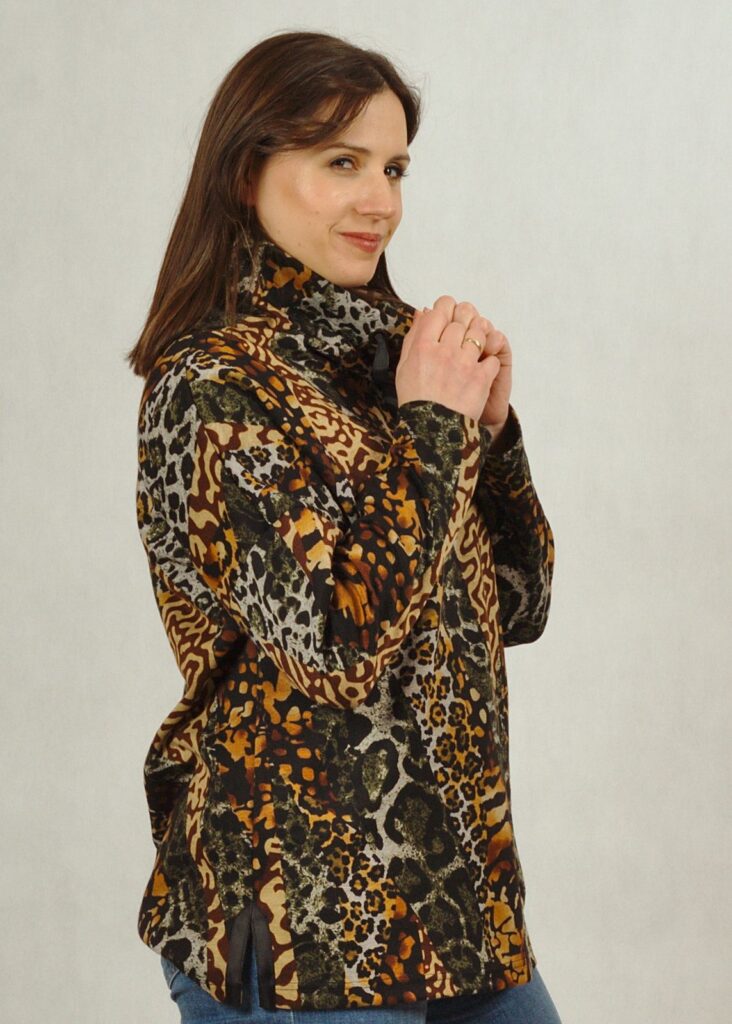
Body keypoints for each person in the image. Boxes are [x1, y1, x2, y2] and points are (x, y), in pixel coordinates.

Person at [127, 29, 559, 1024]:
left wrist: (490, 441)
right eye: (342, 162)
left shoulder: (389, 367)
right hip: (300, 927)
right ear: (246, 174)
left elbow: (519, 607)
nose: (382, 201)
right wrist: (435, 428)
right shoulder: (212, 385)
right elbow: (335, 644)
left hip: (456, 906)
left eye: (394, 168)